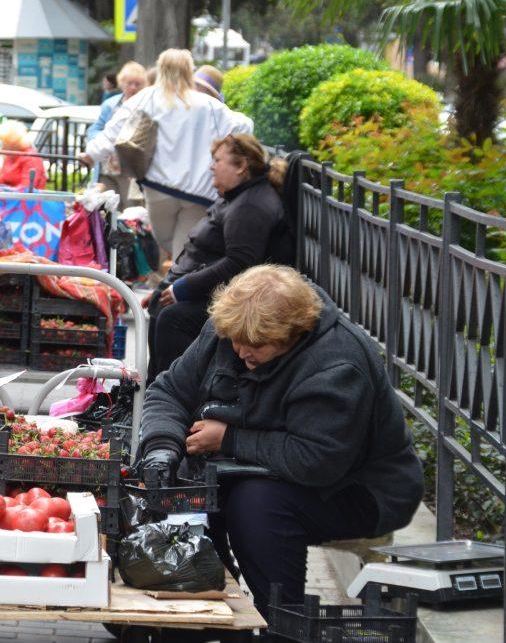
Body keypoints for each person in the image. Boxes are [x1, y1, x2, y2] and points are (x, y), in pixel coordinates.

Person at [139, 264, 424, 619]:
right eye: (236, 341)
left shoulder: (337, 364)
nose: (242, 351)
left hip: (360, 487)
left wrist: (230, 438)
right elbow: (169, 391)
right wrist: (161, 447)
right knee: (182, 482)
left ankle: (281, 620)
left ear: (291, 335)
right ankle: (205, 606)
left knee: (256, 503)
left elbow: (317, 460)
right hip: (265, 466)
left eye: (256, 345)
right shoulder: (232, 329)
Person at [145, 133, 294, 377]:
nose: (211, 166)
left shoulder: (250, 205)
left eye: (217, 160)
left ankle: (169, 398)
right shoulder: (238, 197)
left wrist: (182, 288)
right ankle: (151, 398)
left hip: (246, 302)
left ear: (241, 166)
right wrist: (167, 287)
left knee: (173, 318)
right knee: (161, 309)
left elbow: (239, 264)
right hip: (220, 292)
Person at [81, 49, 253, 259]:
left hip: (158, 188)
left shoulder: (147, 97)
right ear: (190, 71)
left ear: (161, 69)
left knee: (166, 241)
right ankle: (182, 281)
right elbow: (244, 125)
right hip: (198, 192)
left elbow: (114, 130)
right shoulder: (209, 105)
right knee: (185, 247)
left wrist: (91, 155)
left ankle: (179, 281)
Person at [85, 61, 147, 207]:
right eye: (129, 83)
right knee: (106, 209)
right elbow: (95, 128)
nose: (133, 87)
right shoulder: (110, 104)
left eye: (137, 84)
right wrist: (99, 141)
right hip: (107, 168)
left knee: (130, 210)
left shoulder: (146, 105)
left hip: (130, 172)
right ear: (122, 83)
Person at [0, 119, 47, 190]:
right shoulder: (10, 156)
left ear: (12, 142)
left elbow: (26, 188)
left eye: (3, 141)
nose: (1, 144)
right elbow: (0, 180)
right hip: (8, 198)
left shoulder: (31, 158)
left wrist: (3, 189)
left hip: (26, 199)